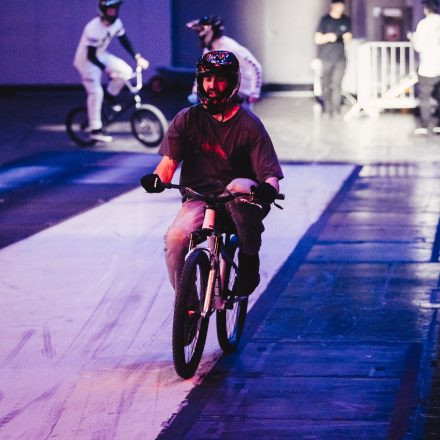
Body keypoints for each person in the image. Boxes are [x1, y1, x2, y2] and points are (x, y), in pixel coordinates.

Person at [140, 51, 283, 296]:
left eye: (220, 79)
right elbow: (168, 164)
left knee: (238, 185)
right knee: (174, 238)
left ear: (233, 82)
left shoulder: (249, 125)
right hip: (199, 198)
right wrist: (157, 180)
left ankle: (249, 260)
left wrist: (268, 189)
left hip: (238, 199)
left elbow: (269, 174)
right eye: (207, 79)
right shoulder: (187, 119)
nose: (212, 86)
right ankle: (187, 303)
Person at [73, 0, 149, 142]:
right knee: (96, 92)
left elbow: (124, 39)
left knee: (126, 71)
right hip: (86, 61)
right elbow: (91, 56)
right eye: (110, 10)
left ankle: (108, 98)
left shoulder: (116, 23)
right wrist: (108, 71)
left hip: (100, 54)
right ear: (103, 12)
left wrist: (137, 57)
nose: (113, 13)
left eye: (115, 9)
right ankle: (95, 129)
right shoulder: (93, 28)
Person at [186, 16, 263, 108]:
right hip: (223, 95)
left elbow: (255, 66)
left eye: (202, 30)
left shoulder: (231, 48)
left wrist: (254, 92)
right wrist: (196, 91)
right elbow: (202, 70)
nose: (200, 34)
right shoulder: (209, 49)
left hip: (240, 96)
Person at [314, 0, 352, 116]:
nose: (340, 7)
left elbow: (348, 37)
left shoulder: (346, 20)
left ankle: (336, 110)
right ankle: (327, 109)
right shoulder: (325, 20)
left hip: (340, 58)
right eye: (338, 5)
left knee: (337, 84)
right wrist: (328, 37)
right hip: (326, 58)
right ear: (333, 5)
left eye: (342, 5)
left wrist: (347, 37)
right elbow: (317, 39)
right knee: (326, 84)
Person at [412, 0, 440, 135]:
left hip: (427, 66)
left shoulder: (423, 24)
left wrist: (413, 40)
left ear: (426, 9)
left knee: (424, 97)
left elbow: (418, 47)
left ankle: (424, 125)